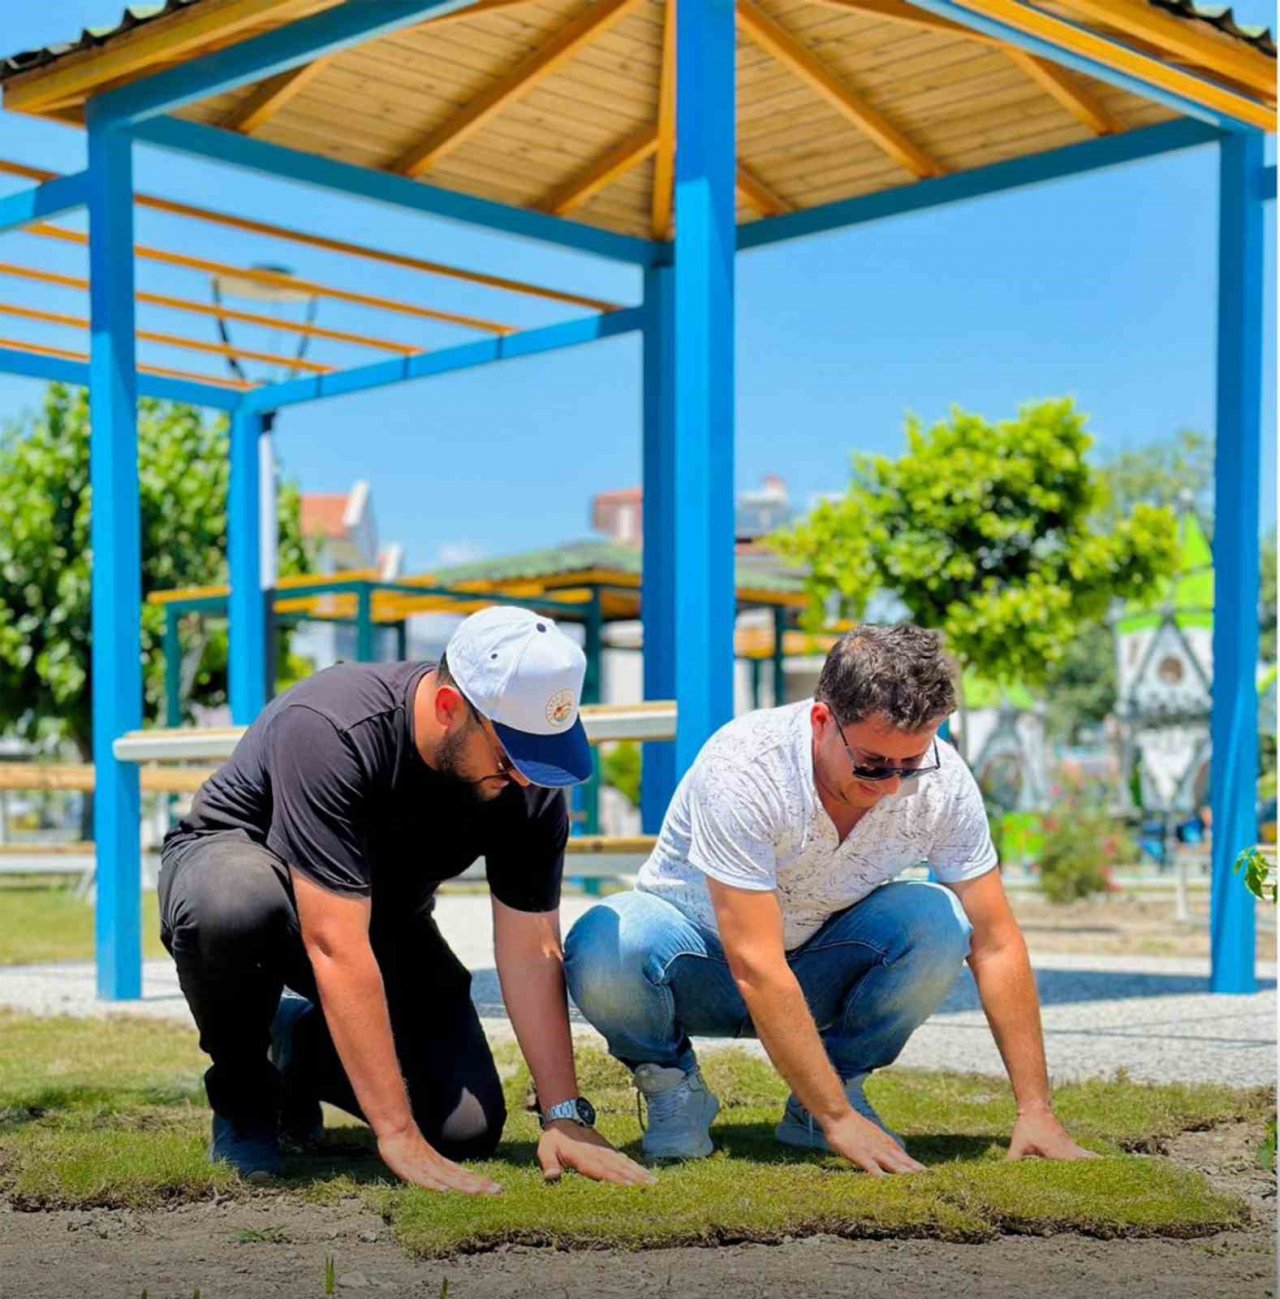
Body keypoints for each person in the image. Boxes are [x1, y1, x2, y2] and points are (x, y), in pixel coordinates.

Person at [564, 624, 1094, 1175]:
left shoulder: (944, 780)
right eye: (872, 763)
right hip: (700, 965)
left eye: (910, 765)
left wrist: (1036, 1109)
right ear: (822, 721)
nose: (891, 784)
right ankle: (674, 1087)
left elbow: (998, 942)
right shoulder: (745, 768)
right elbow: (756, 963)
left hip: (818, 967)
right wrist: (842, 1120)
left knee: (940, 919)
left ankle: (824, 1096)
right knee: (605, 943)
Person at [159, 606, 653, 1194]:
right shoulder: (330, 726)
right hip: (249, 873)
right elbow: (334, 943)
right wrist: (395, 1135)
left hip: (384, 915)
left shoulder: (529, 783)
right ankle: (244, 1098)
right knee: (233, 903)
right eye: (509, 756)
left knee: (464, 1128)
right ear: (449, 710)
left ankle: (299, 1041)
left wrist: (563, 1115)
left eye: (539, 755)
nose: (524, 778)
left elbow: (531, 949)